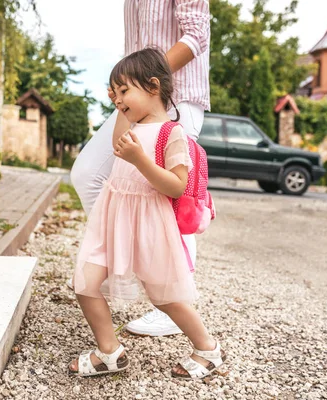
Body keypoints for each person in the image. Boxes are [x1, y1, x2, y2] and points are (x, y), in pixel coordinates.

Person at [67, 48, 224, 379]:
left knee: (165, 297)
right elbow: (116, 144)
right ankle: (109, 351)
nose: (118, 98)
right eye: (115, 92)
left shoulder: (172, 133)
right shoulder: (132, 127)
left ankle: (207, 349)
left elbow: (176, 186)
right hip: (112, 219)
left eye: (124, 90)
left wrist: (141, 160)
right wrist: (121, 108)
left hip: (150, 223)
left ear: (153, 86)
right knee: (84, 282)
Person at [69, 0, 212, 337]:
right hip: (136, 92)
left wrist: (140, 83)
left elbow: (196, 36)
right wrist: (124, 94)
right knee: (88, 172)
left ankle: (172, 297)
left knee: (173, 203)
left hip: (175, 95)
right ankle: (125, 259)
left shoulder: (168, 123)